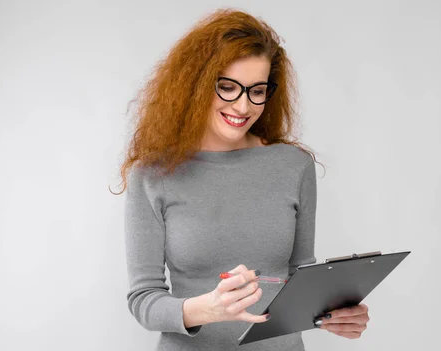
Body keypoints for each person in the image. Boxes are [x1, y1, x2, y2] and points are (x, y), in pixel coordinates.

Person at [111, 8, 370, 351]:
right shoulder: (153, 174)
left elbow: (300, 274)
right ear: (196, 84)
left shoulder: (294, 166)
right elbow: (143, 299)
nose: (243, 106)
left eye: (257, 91)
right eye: (227, 87)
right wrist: (206, 309)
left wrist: (335, 314)